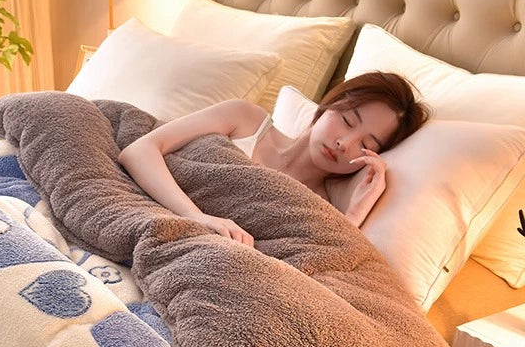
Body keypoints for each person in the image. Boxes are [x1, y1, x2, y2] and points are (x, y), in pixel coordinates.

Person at [118, 71, 429, 247]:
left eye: (366, 144)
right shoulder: (246, 120)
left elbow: (318, 268)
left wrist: (359, 210)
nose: (344, 143)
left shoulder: (320, 208)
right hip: (136, 214)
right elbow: (139, 150)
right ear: (330, 104)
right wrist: (196, 215)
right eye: (347, 121)